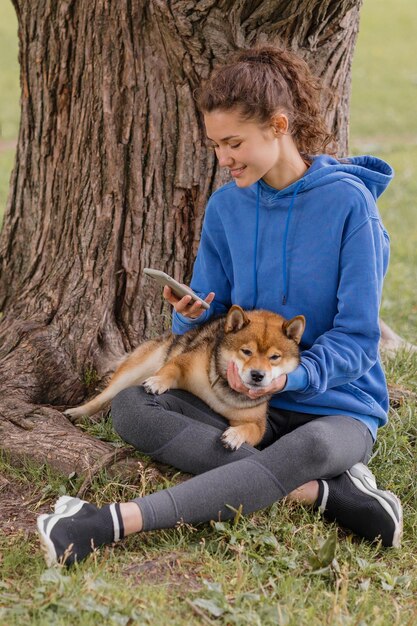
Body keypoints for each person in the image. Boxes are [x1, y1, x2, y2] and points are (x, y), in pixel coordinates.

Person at [37, 45, 403, 567]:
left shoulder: (349, 206)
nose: (223, 159)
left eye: (233, 143)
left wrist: (290, 380)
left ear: (279, 126)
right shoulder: (227, 205)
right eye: (215, 145)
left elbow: (358, 338)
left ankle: (106, 522)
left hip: (334, 407)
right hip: (241, 404)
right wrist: (189, 312)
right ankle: (325, 495)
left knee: (312, 450)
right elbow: (214, 317)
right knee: (135, 405)